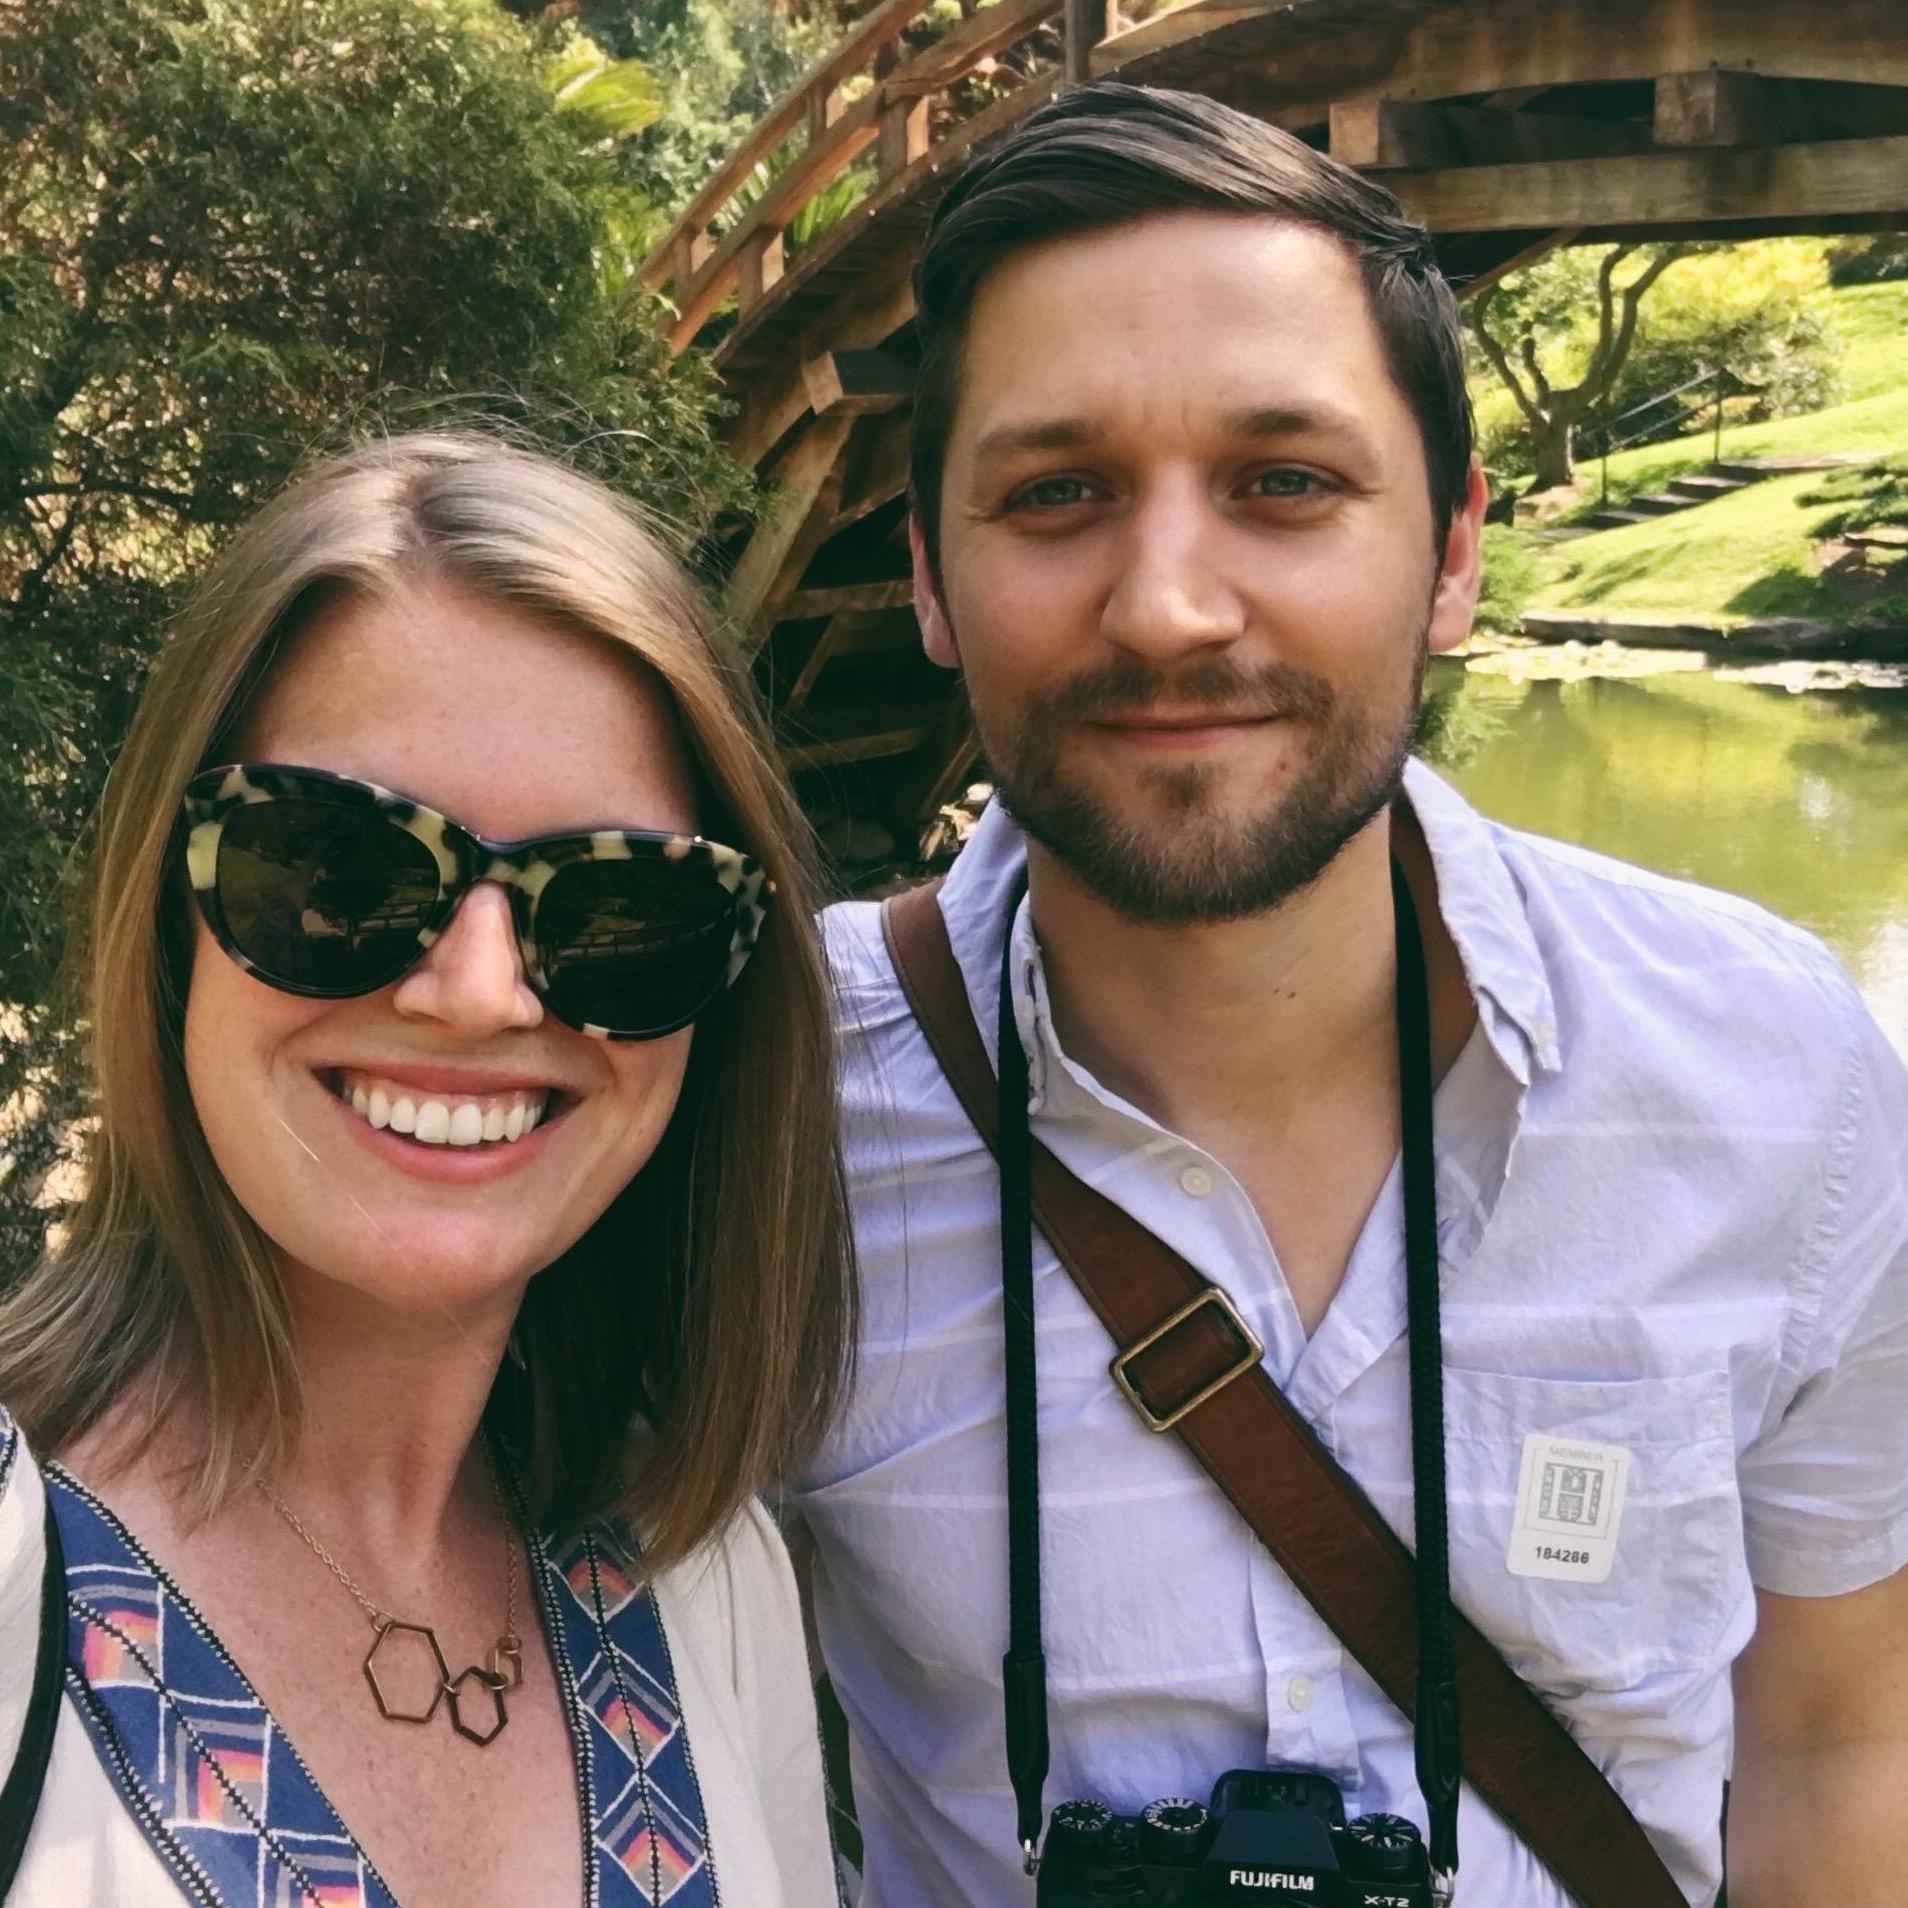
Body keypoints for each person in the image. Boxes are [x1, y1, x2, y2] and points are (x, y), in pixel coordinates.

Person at [792, 82, 1908, 1908]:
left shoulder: (1778, 1074)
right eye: (1056, 494)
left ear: (1453, 552)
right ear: (928, 573)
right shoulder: (761, 1102)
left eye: (1284, 485)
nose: (1168, 607)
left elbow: (1842, 1734)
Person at [0, 432, 850, 1908]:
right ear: (168, 920)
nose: (478, 994)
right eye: (337, 870)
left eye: (615, 907)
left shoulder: (704, 1584)